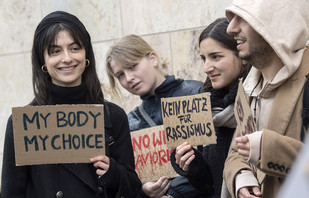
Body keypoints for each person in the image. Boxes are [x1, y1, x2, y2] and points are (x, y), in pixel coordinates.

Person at [1, 11, 141, 198]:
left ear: (86, 54)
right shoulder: (23, 124)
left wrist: (114, 174)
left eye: (75, 48)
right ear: (43, 60)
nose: (67, 58)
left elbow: (134, 190)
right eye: (55, 51)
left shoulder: (113, 116)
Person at [223, 0, 309, 197]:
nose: (230, 28)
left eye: (243, 18)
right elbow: (237, 152)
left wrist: (269, 148)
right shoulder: (249, 87)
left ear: (275, 23)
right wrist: (241, 176)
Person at [105, 34, 204, 198]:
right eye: (120, 75)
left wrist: (173, 193)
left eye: (132, 66)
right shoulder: (130, 122)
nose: (128, 78)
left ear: (153, 59)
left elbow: (212, 161)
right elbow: (129, 178)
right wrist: (143, 190)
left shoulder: (195, 94)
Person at [169, 18, 250, 198]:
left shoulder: (257, 100)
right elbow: (208, 187)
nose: (206, 67)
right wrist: (191, 164)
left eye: (216, 56)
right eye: (203, 59)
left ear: (242, 55)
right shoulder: (207, 107)